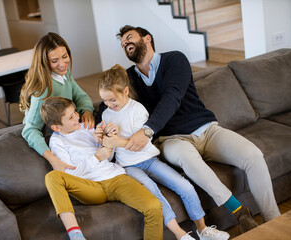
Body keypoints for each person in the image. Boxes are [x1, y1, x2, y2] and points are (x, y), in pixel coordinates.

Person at [111, 25, 281, 233]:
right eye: (122, 43)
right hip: (173, 140)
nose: (125, 43)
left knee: (254, 155)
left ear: (147, 39)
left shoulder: (175, 60)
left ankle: (274, 220)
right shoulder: (129, 78)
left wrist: (146, 130)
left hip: (207, 131)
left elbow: (172, 97)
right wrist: (91, 115)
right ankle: (238, 211)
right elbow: (108, 96)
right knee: (188, 159)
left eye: (129, 38)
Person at [97, 64, 229, 240]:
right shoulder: (106, 116)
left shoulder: (138, 110)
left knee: (185, 186)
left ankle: (203, 230)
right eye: (105, 101)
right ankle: (181, 235)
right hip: (128, 167)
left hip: (149, 159)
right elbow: (111, 154)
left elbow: (142, 143)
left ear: (126, 91)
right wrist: (106, 139)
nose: (108, 105)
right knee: (153, 192)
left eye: (112, 100)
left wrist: (117, 140)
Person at [40, 96, 163, 240]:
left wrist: (107, 141)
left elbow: (108, 158)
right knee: (52, 177)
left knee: (154, 207)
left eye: (75, 112)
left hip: (115, 178)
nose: (77, 117)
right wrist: (96, 157)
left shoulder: (86, 127)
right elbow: (69, 173)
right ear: (56, 127)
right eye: (71, 117)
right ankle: (75, 234)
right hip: (91, 187)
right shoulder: (57, 142)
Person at [19, 32, 95, 171]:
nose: (62, 64)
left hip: (68, 127)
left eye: (65, 57)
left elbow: (81, 96)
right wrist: (52, 159)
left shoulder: (64, 74)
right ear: (44, 62)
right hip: (54, 134)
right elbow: (30, 130)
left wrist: (87, 111)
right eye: (55, 61)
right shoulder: (41, 92)